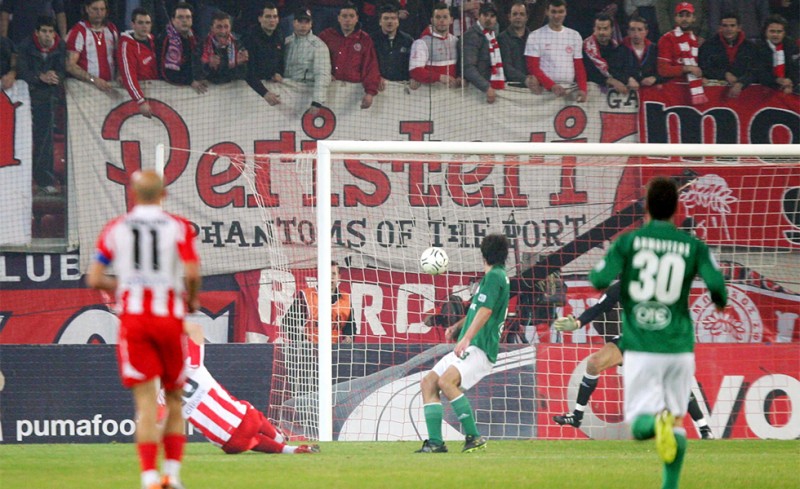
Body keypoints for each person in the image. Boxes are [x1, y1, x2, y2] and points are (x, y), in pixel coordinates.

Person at [588, 177, 727, 489]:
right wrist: (720, 303)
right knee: (675, 421)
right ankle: (670, 485)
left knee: (640, 427)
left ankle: (655, 424)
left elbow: (599, 279)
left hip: (641, 345)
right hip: (678, 347)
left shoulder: (629, 243)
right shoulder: (693, 246)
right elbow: (718, 288)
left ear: (646, 208)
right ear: (677, 208)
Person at [86, 170, 201, 489]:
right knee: (174, 398)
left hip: (135, 322)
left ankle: (149, 477)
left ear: (133, 195)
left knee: (147, 403)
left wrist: (125, 286)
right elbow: (192, 273)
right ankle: (172, 476)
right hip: (168, 320)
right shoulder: (178, 226)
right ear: (163, 195)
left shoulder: (116, 228)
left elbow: (94, 277)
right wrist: (192, 300)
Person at [552, 282, 715, 440]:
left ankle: (704, 428)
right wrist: (577, 323)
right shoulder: (620, 287)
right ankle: (577, 416)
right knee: (594, 363)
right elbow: (599, 308)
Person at [416, 233, 510, 454]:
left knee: (446, 382)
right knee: (429, 382)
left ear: (483, 254)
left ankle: (474, 437)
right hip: (473, 344)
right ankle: (436, 443)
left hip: (481, 347)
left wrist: (466, 338)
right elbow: (477, 310)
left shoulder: (495, 276)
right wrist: (457, 327)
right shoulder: (493, 277)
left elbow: (486, 311)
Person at [177, 322, 321, 455]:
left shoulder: (166, 394)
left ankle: (288, 450)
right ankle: (279, 438)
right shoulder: (191, 366)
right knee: (251, 412)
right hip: (245, 421)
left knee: (253, 441)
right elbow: (195, 329)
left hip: (229, 444)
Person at [16, 16, 66, 195]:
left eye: (51, 31)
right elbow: (21, 71)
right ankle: (19, 181)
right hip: (25, 98)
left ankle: (44, 180)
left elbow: (63, 70)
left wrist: (55, 76)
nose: (47, 35)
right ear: (36, 33)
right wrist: (40, 77)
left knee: (45, 140)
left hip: (48, 98)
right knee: (21, 139)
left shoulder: (60, 46)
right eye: (44, 31)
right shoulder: (25, 46)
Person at [318, 3, 381, 109]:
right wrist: (325, 74)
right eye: (344, 16)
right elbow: (316, 60)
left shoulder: (365, 39)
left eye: (351, 16)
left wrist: (370, 92)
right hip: (329, 89)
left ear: (357, 18)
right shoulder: (326, 36)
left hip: (354, 92)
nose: (348, 20)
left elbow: (371, 66)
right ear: (338, 18)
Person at [524, 0, 588, 102]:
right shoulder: (535, 36)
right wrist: (551, 85)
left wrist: (583, 88)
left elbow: (579, 66)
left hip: (569, 92)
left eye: (560, 12)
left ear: (566, 12)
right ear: (547, 12)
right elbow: (532, 67)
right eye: (553, 12)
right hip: (544, 92)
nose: (557, 16)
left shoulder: (574, 36)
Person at [282, 261, 355, 344]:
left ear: (339, 277)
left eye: (333, 274)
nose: (330, 277)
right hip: (311, 348)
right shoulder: (306, 296)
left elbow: (350, 325)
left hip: (335, 348)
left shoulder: (346, 298)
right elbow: (287, 323)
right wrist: (302, 340)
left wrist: (348, 337)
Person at [698, 12, 759, 99]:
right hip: (714, 95)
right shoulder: (708, 46)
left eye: (732, 25)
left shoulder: (751, 47)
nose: (729, 29)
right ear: (720, 28)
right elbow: (703, 67)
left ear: (739, 28)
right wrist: (724, 74)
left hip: (746, 95)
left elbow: (755, 70)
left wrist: (741, 83)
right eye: (725, 26)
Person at [284, 7, 332, 114]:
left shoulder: (319, 46)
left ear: (311, 24)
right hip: (286, 96)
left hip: (307, 96)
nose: (303, 25)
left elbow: (322, 74)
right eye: (300, 21)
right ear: (294, 22)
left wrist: (317, 101)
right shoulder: (286, 43)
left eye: (307, 22)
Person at [657, 2, 707, 105]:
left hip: (690, 92)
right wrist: (687, 68)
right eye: (681, 15)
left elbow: (697, 68)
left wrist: (700, 77)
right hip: (672, 91)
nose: (684, 19)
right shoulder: (667, 39)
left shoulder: (694, 40)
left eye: (688, 15)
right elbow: (663, 70)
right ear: (675, 18)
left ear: (694, 18)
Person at [65, 0, 118, 93]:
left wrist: (120, 75)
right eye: (95, 9)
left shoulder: (111, 29)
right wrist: (94, 80)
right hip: (86, 89)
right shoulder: (78, 31)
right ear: (87, 9)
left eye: (102, 9)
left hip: (110, 86)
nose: (99, 13)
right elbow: (70, 65)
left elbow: (119, 57)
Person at [460, 2, 506, 104]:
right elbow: (468, 68)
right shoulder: (471, 36)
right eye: (485, 15)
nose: (488, 19)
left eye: (492, 16)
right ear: (479, 16)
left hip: (491, 88)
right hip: (476, 91)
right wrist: (486, 87)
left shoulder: (494, 33)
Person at [118, 8, 158, 118]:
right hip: (137, 99)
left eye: (147, 23)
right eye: (140, 23)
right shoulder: (126, 45)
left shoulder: (154, 41)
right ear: (133, 25)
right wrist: (140, 100)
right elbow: (128, 75)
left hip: (157, 93)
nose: (144, 26)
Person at [158, 2, 207, 93]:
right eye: (180, 17)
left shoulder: (194, 37)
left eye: (188, 17)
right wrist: (190, 81)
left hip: (188, 88)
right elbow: (166, 73)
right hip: (168, 90)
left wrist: (200, 77)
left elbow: (196, 62)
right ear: (173, 20)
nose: (184, 20)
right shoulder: (167, 39)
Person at [409, 2, 460, 88]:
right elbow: (415, 71)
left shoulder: (456, 41)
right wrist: (439, 77)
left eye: (445, 17)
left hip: (454, 92)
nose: (442, 20)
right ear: (432, 20)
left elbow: (461, 67)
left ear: (451, 20)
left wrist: (460, 78)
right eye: (438, 17)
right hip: (431, 92)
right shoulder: (421, 43)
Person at [243, 3, 285, 105]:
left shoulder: (280, 36)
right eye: (268, 16)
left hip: (271, 84)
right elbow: (248, 72)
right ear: (260, 19)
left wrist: (278, 73)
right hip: (251, 88)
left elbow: (280, 62)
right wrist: (264, 93)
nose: (272, 20)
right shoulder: (250, 38)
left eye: (275, 17)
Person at [497, 1, 540, 92]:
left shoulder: (534, 38)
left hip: (534, 87)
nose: (518, 17)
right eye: (515, 14)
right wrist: (525, 79)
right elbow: (506, 67)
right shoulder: (502, 38)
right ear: (509, 17)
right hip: (512, 89)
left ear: (526, 17)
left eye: (521, 14)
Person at [370, 3, 415, 87]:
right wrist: (375, 76)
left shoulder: (408, 40)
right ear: (380, 22)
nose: (390, 21)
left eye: (393, 18)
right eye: (386, 18)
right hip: (379, 85)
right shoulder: (371, 40)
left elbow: (413, 63)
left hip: (402, 86)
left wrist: (413, 77)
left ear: (398, 22)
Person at [583, 13, 628, 94]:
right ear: (594, 29)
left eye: (605, 29)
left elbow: (622, 70)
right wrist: (609, 80)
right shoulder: (585, 47)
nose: (602, 32)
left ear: (612, 29)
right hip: (591, 93)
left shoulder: (618, 47)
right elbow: (588, 71)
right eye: (598, 28)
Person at [200, 11, 248, 84]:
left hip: (234, 88)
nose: (223, 31)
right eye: (219, 27)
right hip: (210, 89)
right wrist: (208, 65)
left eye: (226, 27)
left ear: (230, 27)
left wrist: (241, 64)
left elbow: (243, 74)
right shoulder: (202, 46)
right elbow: (198, 74)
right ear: (212, 28)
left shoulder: (239, 44)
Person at [615, 16, 660, 92]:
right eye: (632, 30)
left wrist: (655, 78)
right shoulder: (620, 49)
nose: (636, 34)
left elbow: (663, 70)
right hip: (628, 91)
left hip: (651, 91)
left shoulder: (654, 49)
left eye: (640, 30)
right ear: (628, 32)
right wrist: (627, 79)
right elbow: (614, 71)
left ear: (646, 32)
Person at [756, 14, 798, 95]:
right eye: (772, 31)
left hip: (789, 88)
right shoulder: (757, 48)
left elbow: (796, 69)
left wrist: (790, 81)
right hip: (763, 91)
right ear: (765, 32)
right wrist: (777, 80)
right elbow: (759, 71)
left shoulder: (792, 46)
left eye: (779, 31)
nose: (775, 34)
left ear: (784, 33)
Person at [0, 0, 67, 46]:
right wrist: (3, 41)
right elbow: (4, 14)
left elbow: (60, 13)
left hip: (45, 40)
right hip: (20, 39)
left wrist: (63, 38)